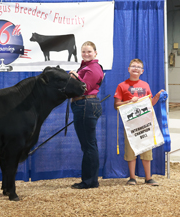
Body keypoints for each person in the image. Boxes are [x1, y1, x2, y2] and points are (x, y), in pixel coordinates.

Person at [114, 58, 164, 186]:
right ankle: (132, 178)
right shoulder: (122, 85)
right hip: (130, 124)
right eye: (133, 66)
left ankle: (148, 178)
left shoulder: (145, 85)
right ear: (128, 69)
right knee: (130, 150)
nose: (135, 68)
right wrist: (129, 102)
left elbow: (150, 104)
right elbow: (116, 105)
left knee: (147, 149)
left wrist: (157, 97)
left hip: (145, 122)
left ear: (142, 71)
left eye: (138, 67)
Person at [69, 41, 104, 189]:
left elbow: (83, 88)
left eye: (89, 51)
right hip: (85, 105)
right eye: (83, 52)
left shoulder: (93, 68)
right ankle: (90, 179)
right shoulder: (86, 67)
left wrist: (74, 76)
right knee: (89, 144)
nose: (86, 54)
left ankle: (90, 181)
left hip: (85, 105)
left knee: (89, 145)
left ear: (95, 53)